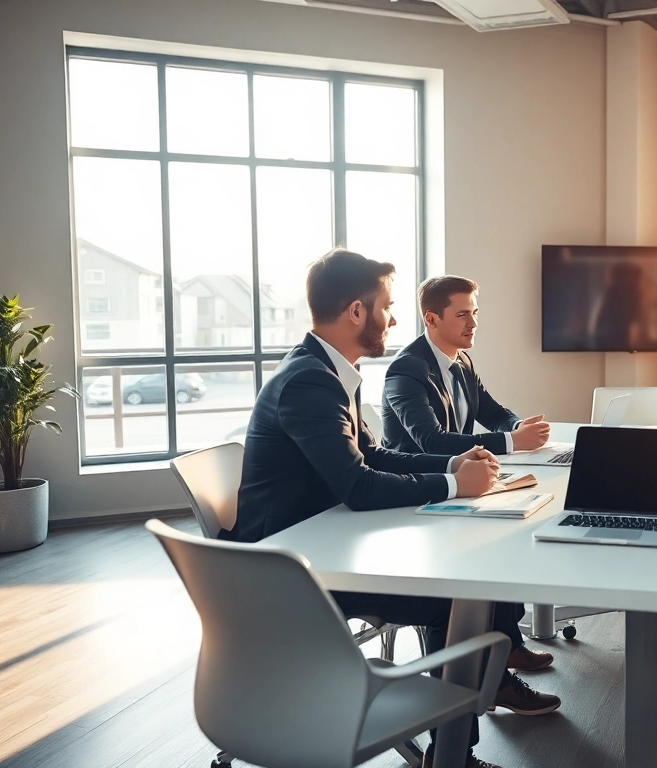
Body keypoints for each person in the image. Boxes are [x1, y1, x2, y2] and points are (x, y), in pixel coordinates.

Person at [223, 249, 559, 768]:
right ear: (357, 311)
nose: (394, 318)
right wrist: (453, 486)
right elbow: (357, 485)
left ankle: (456, 736)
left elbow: (373, 454)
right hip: (297, 573)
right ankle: (453, 757)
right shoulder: (311, 381)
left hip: (322, 546)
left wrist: (455, 468)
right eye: (387, 305)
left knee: (468, 593)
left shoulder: (325, 370)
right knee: (459, 600)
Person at [381, 275, 551, 456]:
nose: (473, 324)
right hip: (417, 479)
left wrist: (518, 426)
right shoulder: (406, 369)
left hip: (461, 472)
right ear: (431, 319)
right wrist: (513, 441)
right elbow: (433, 442)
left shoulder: (463, 361)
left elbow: (493, 414)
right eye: (462, 315)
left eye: (474, 313)